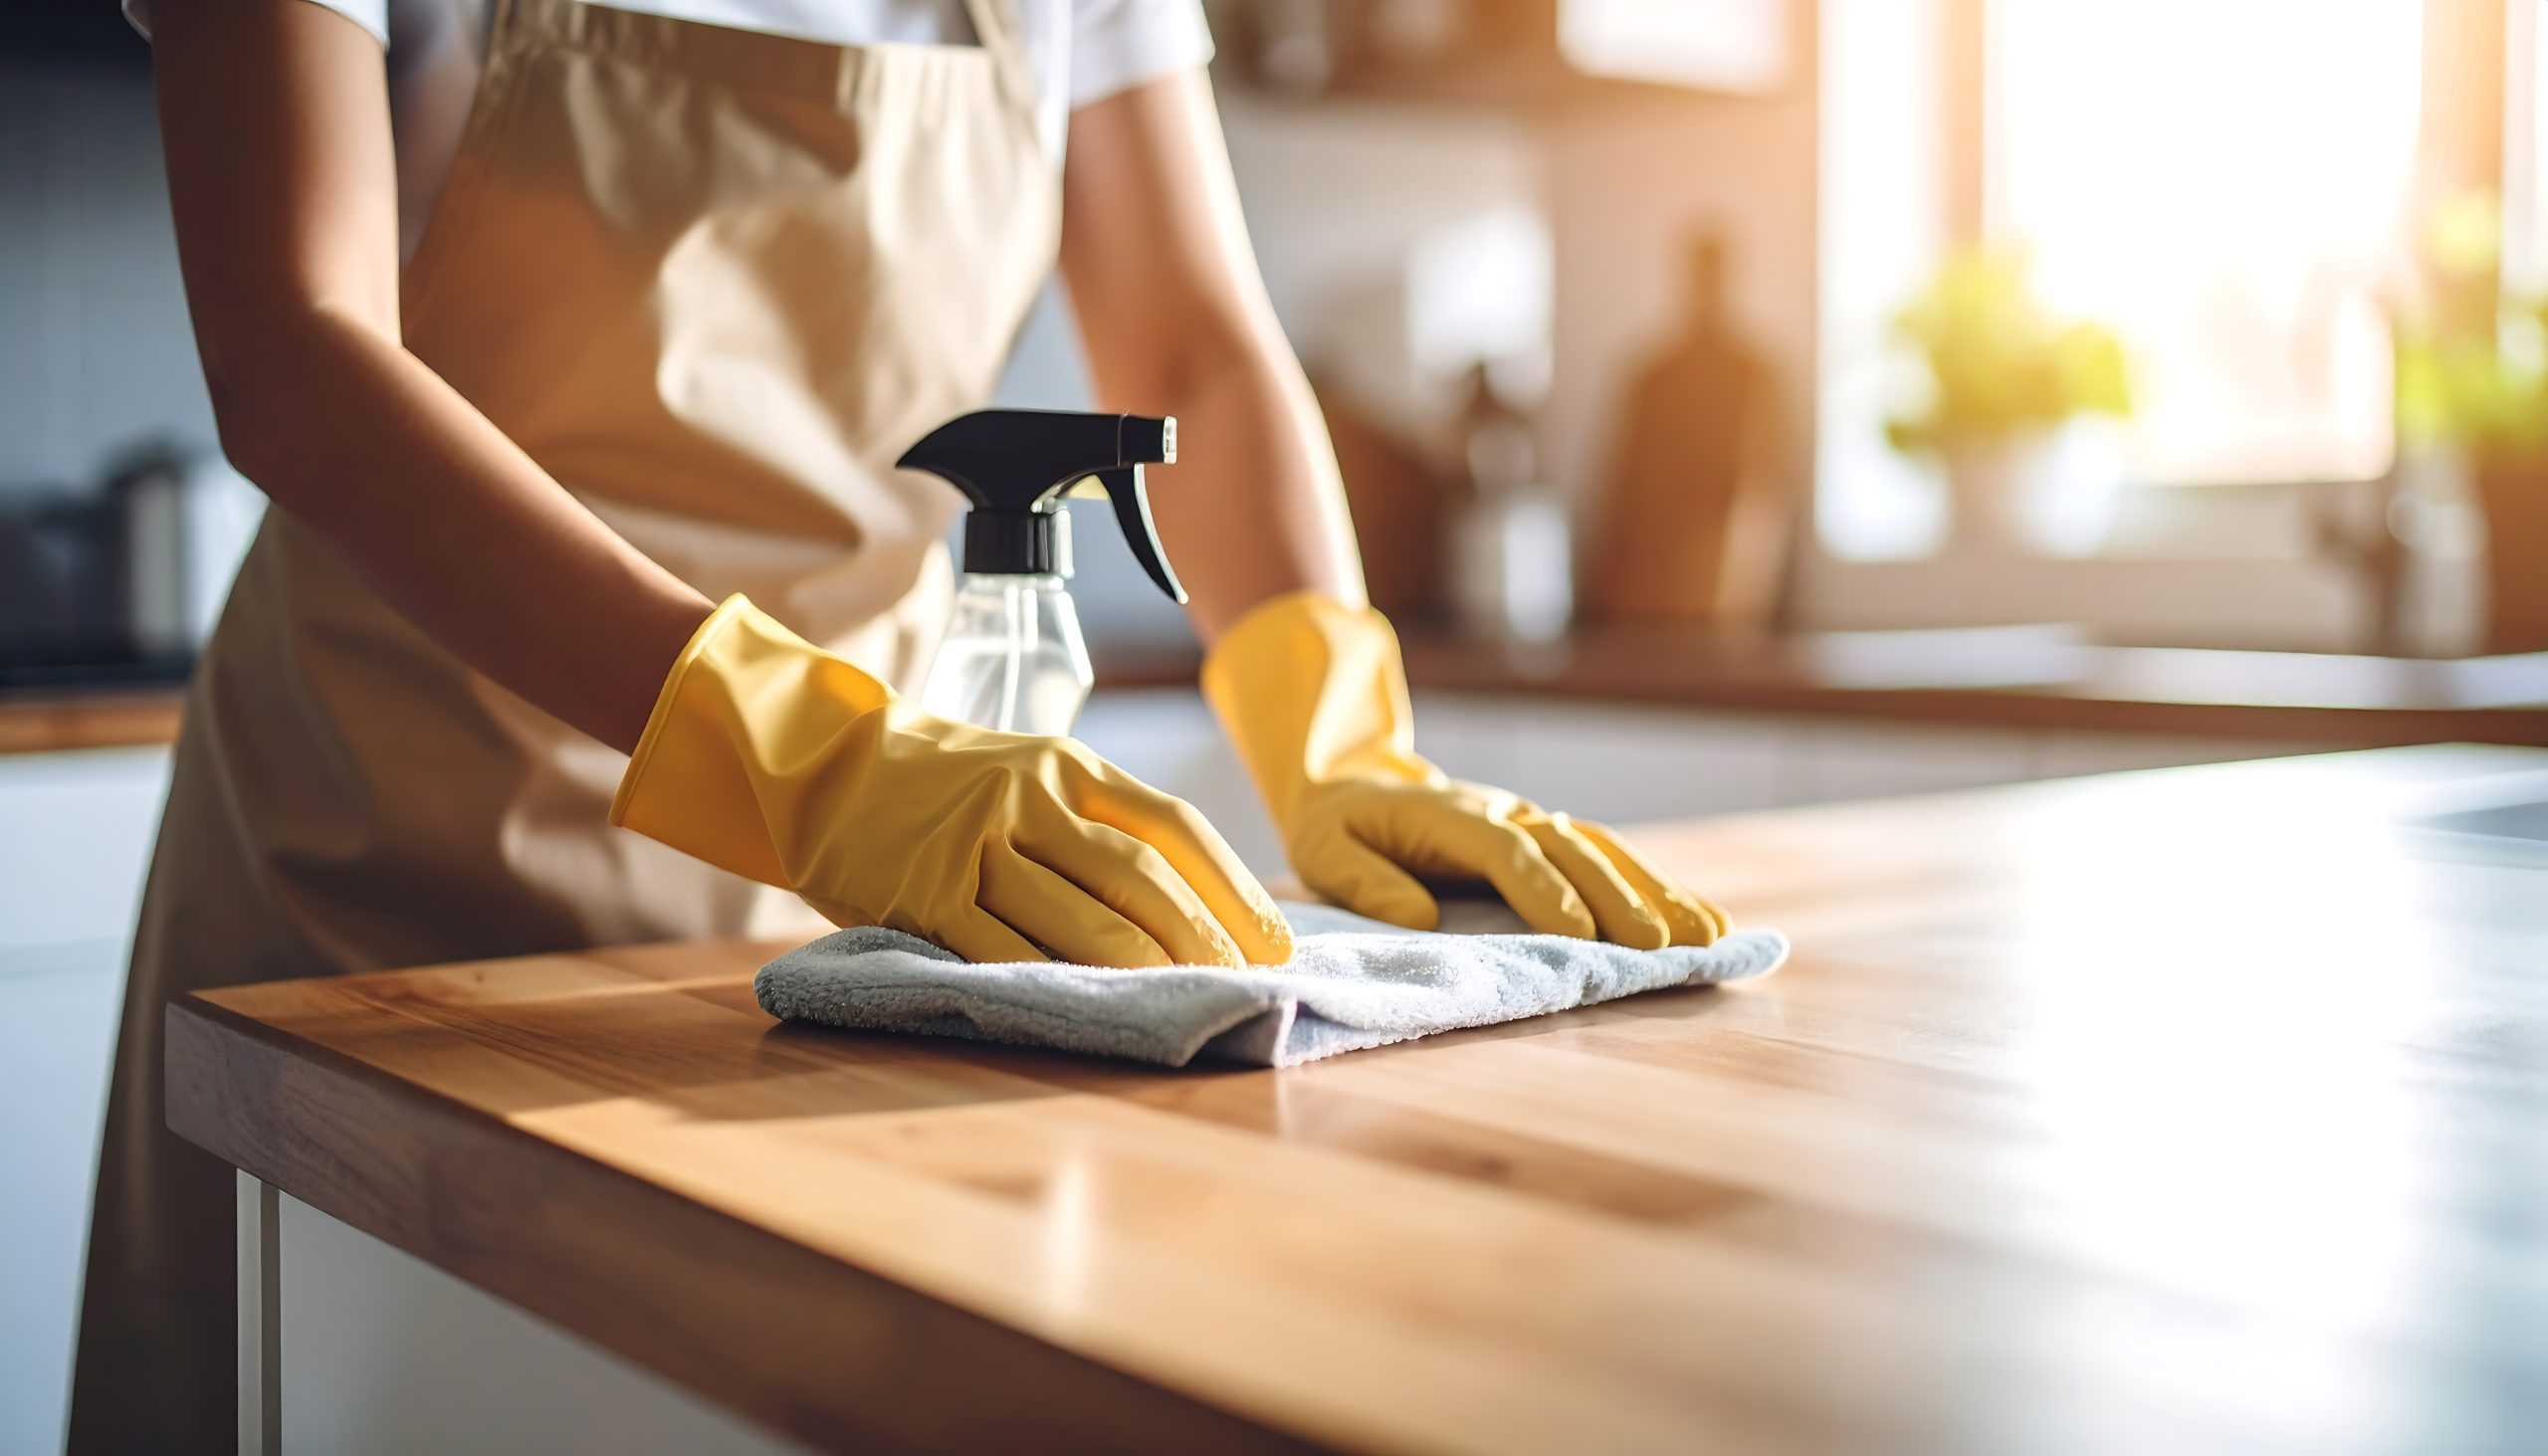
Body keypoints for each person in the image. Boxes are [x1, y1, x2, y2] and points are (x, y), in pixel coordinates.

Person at [76, 0, 1731, 1447]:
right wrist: (810, 758)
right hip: (372, 913)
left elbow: (1193, 349)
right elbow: (298, 347)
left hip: (829, 954)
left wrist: (1336, 726)